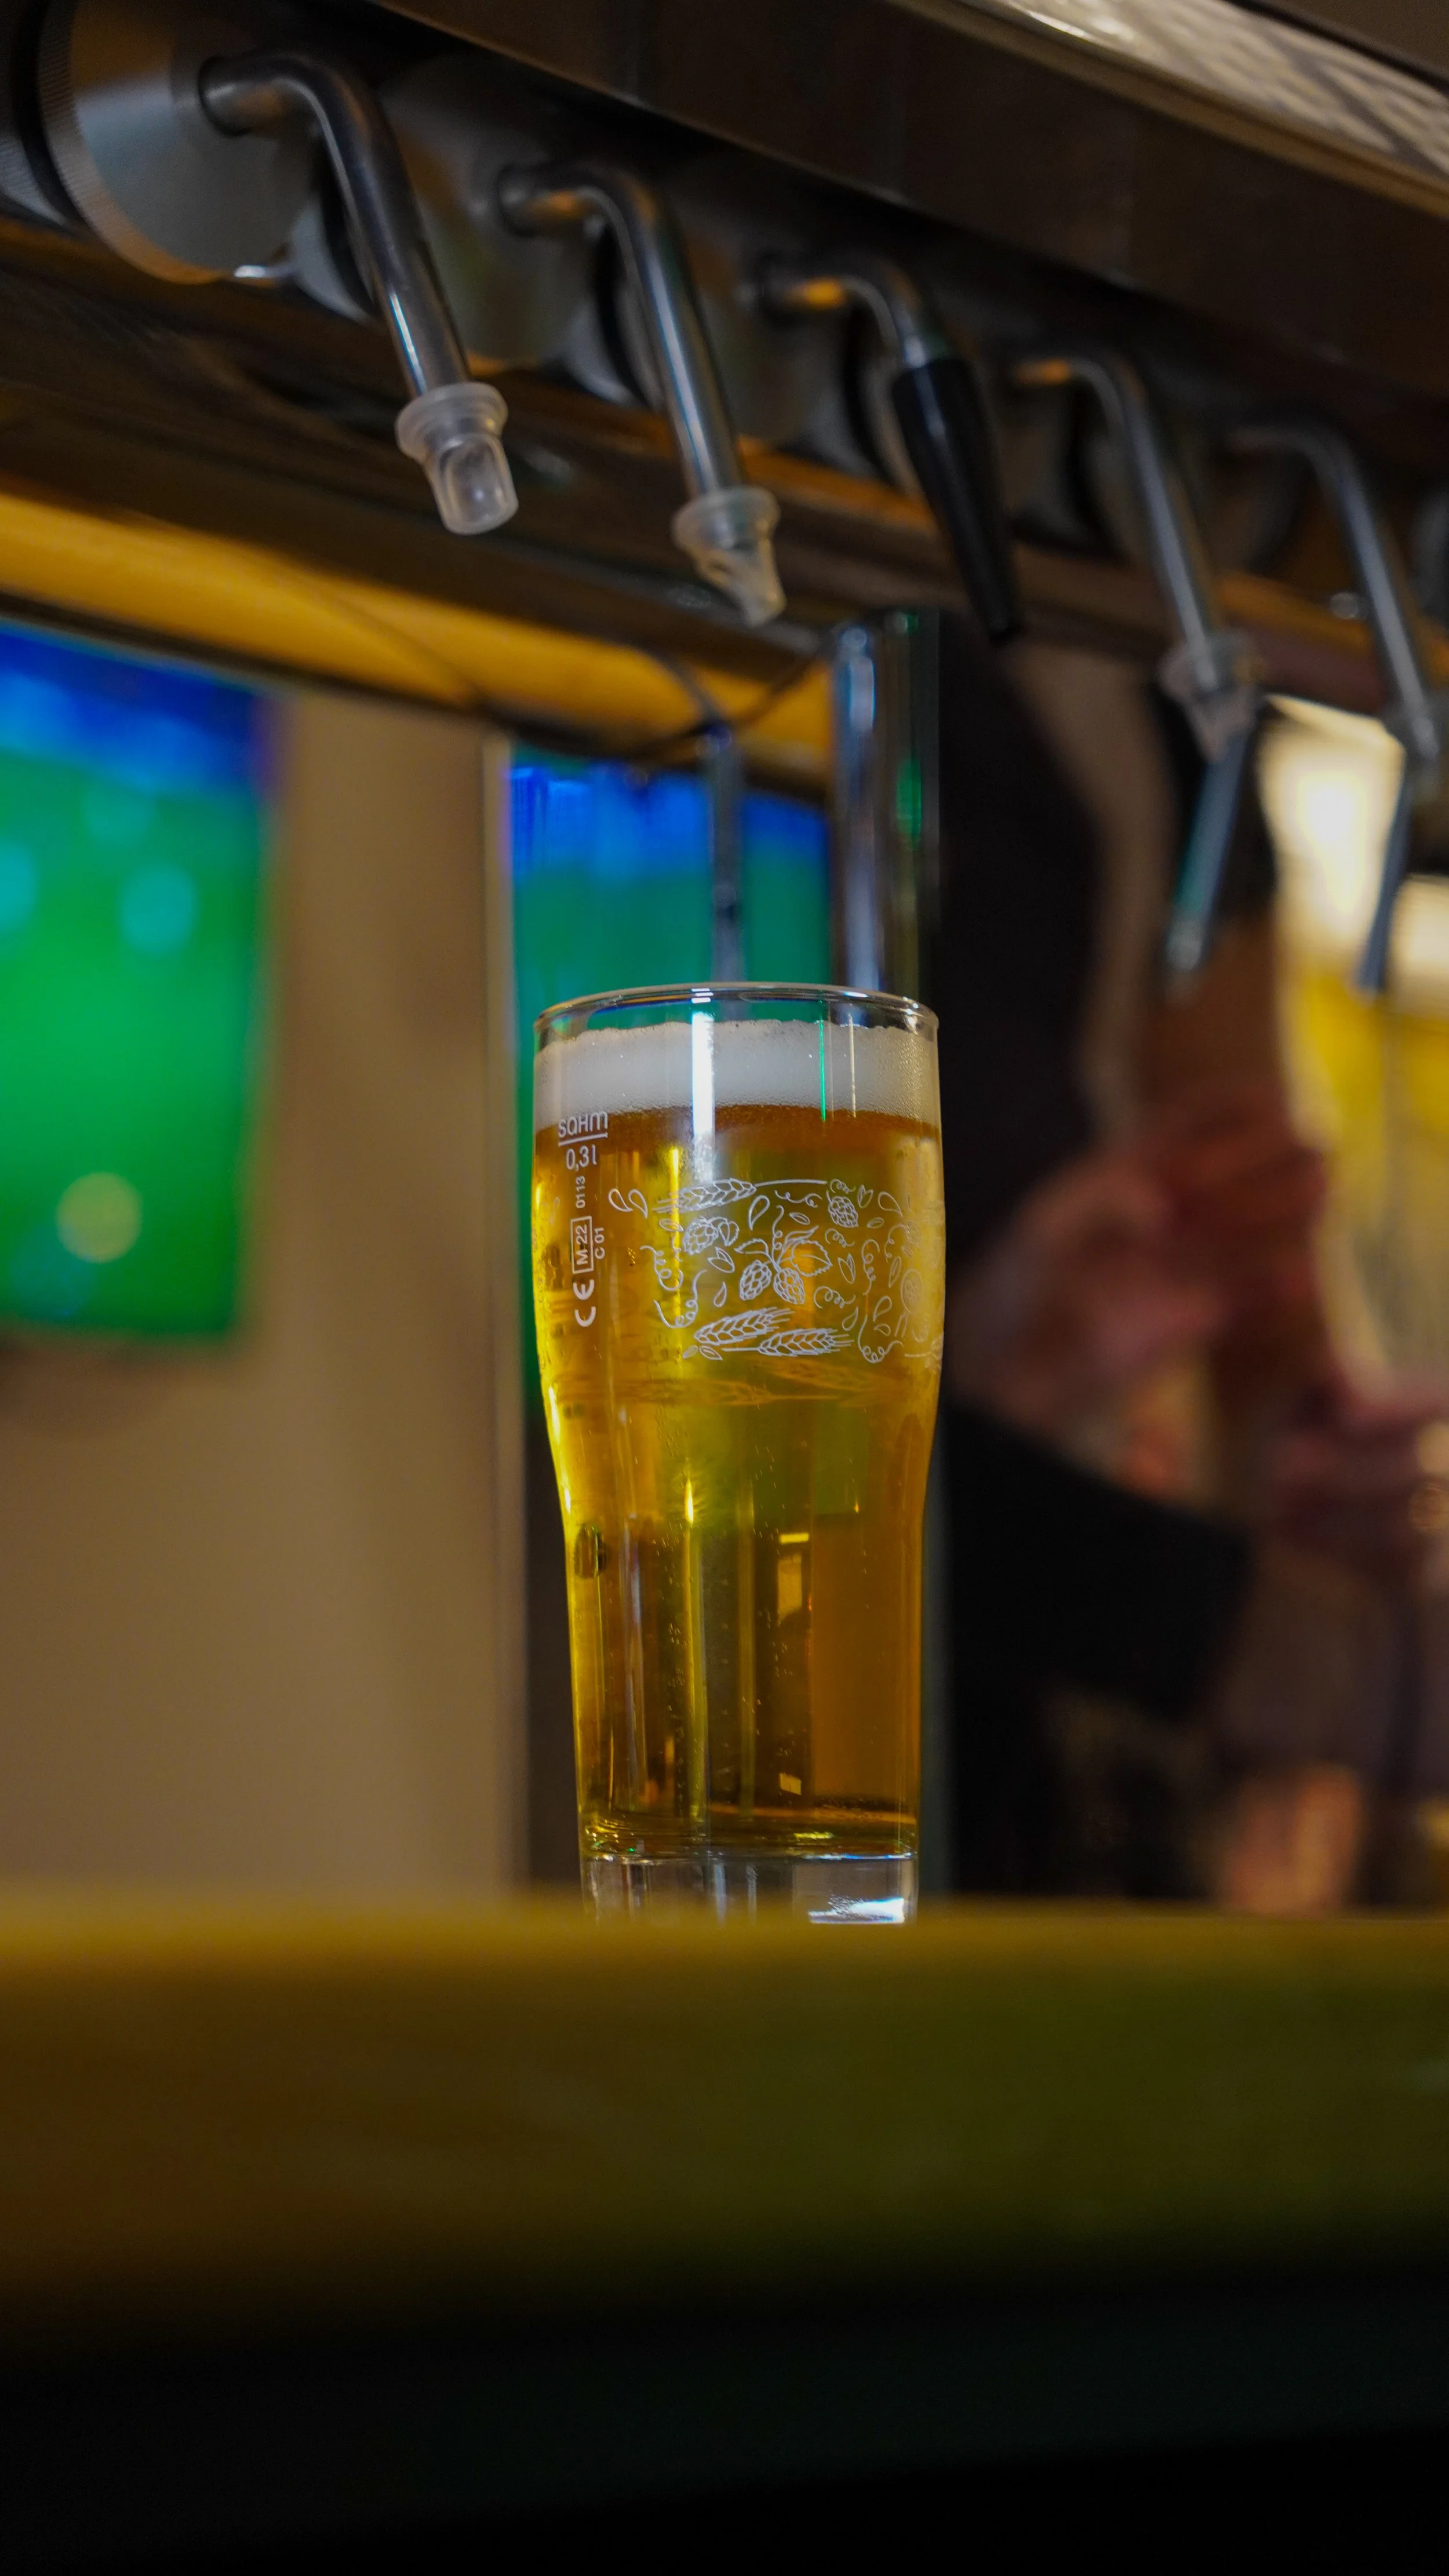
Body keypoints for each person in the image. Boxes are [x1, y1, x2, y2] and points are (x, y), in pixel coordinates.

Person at [934, 618, 1444, 1907]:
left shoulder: (1150, 679)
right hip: (902, 1698)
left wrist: (1277, 1455)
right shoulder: (841, 663)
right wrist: (1338, 1666)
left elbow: (1252, 1242)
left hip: (1065, 1705)